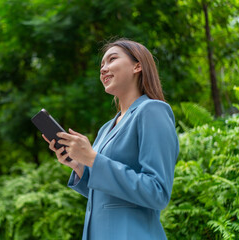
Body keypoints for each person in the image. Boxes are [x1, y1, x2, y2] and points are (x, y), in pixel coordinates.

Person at [42, 38, 179, 240]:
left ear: (137, 66)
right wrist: (80, 166)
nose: (103, 69)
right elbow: (111, 197)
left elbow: (157, 192)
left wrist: (93, 159)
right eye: (101, 65)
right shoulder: (107, 128)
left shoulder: (152, 110)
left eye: (112, 59)